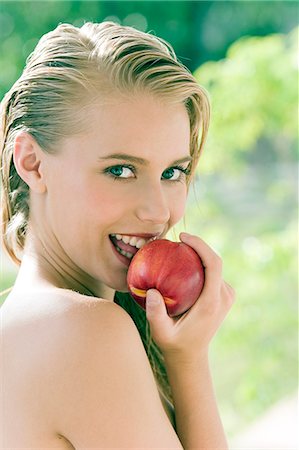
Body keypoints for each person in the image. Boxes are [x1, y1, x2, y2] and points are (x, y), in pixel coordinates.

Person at [0, 21, 235, 449]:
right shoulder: (82, 331)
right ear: (32, 163)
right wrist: (189, 362)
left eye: (172, 172)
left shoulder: (22, 326)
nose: (159, 210)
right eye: (120, 170)